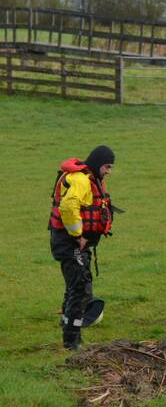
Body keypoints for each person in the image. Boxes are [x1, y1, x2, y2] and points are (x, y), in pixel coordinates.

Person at [49, 145, 116, 350]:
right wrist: (78, 235)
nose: (108, 172)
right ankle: (72, 341)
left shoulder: (91, 178)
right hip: (69, 242)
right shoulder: (80, 180)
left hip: (73, 242)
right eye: (107, 166)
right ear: (97, 163)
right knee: (80, 288)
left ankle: (68, 325)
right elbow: (68, 207)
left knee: (76, 284)